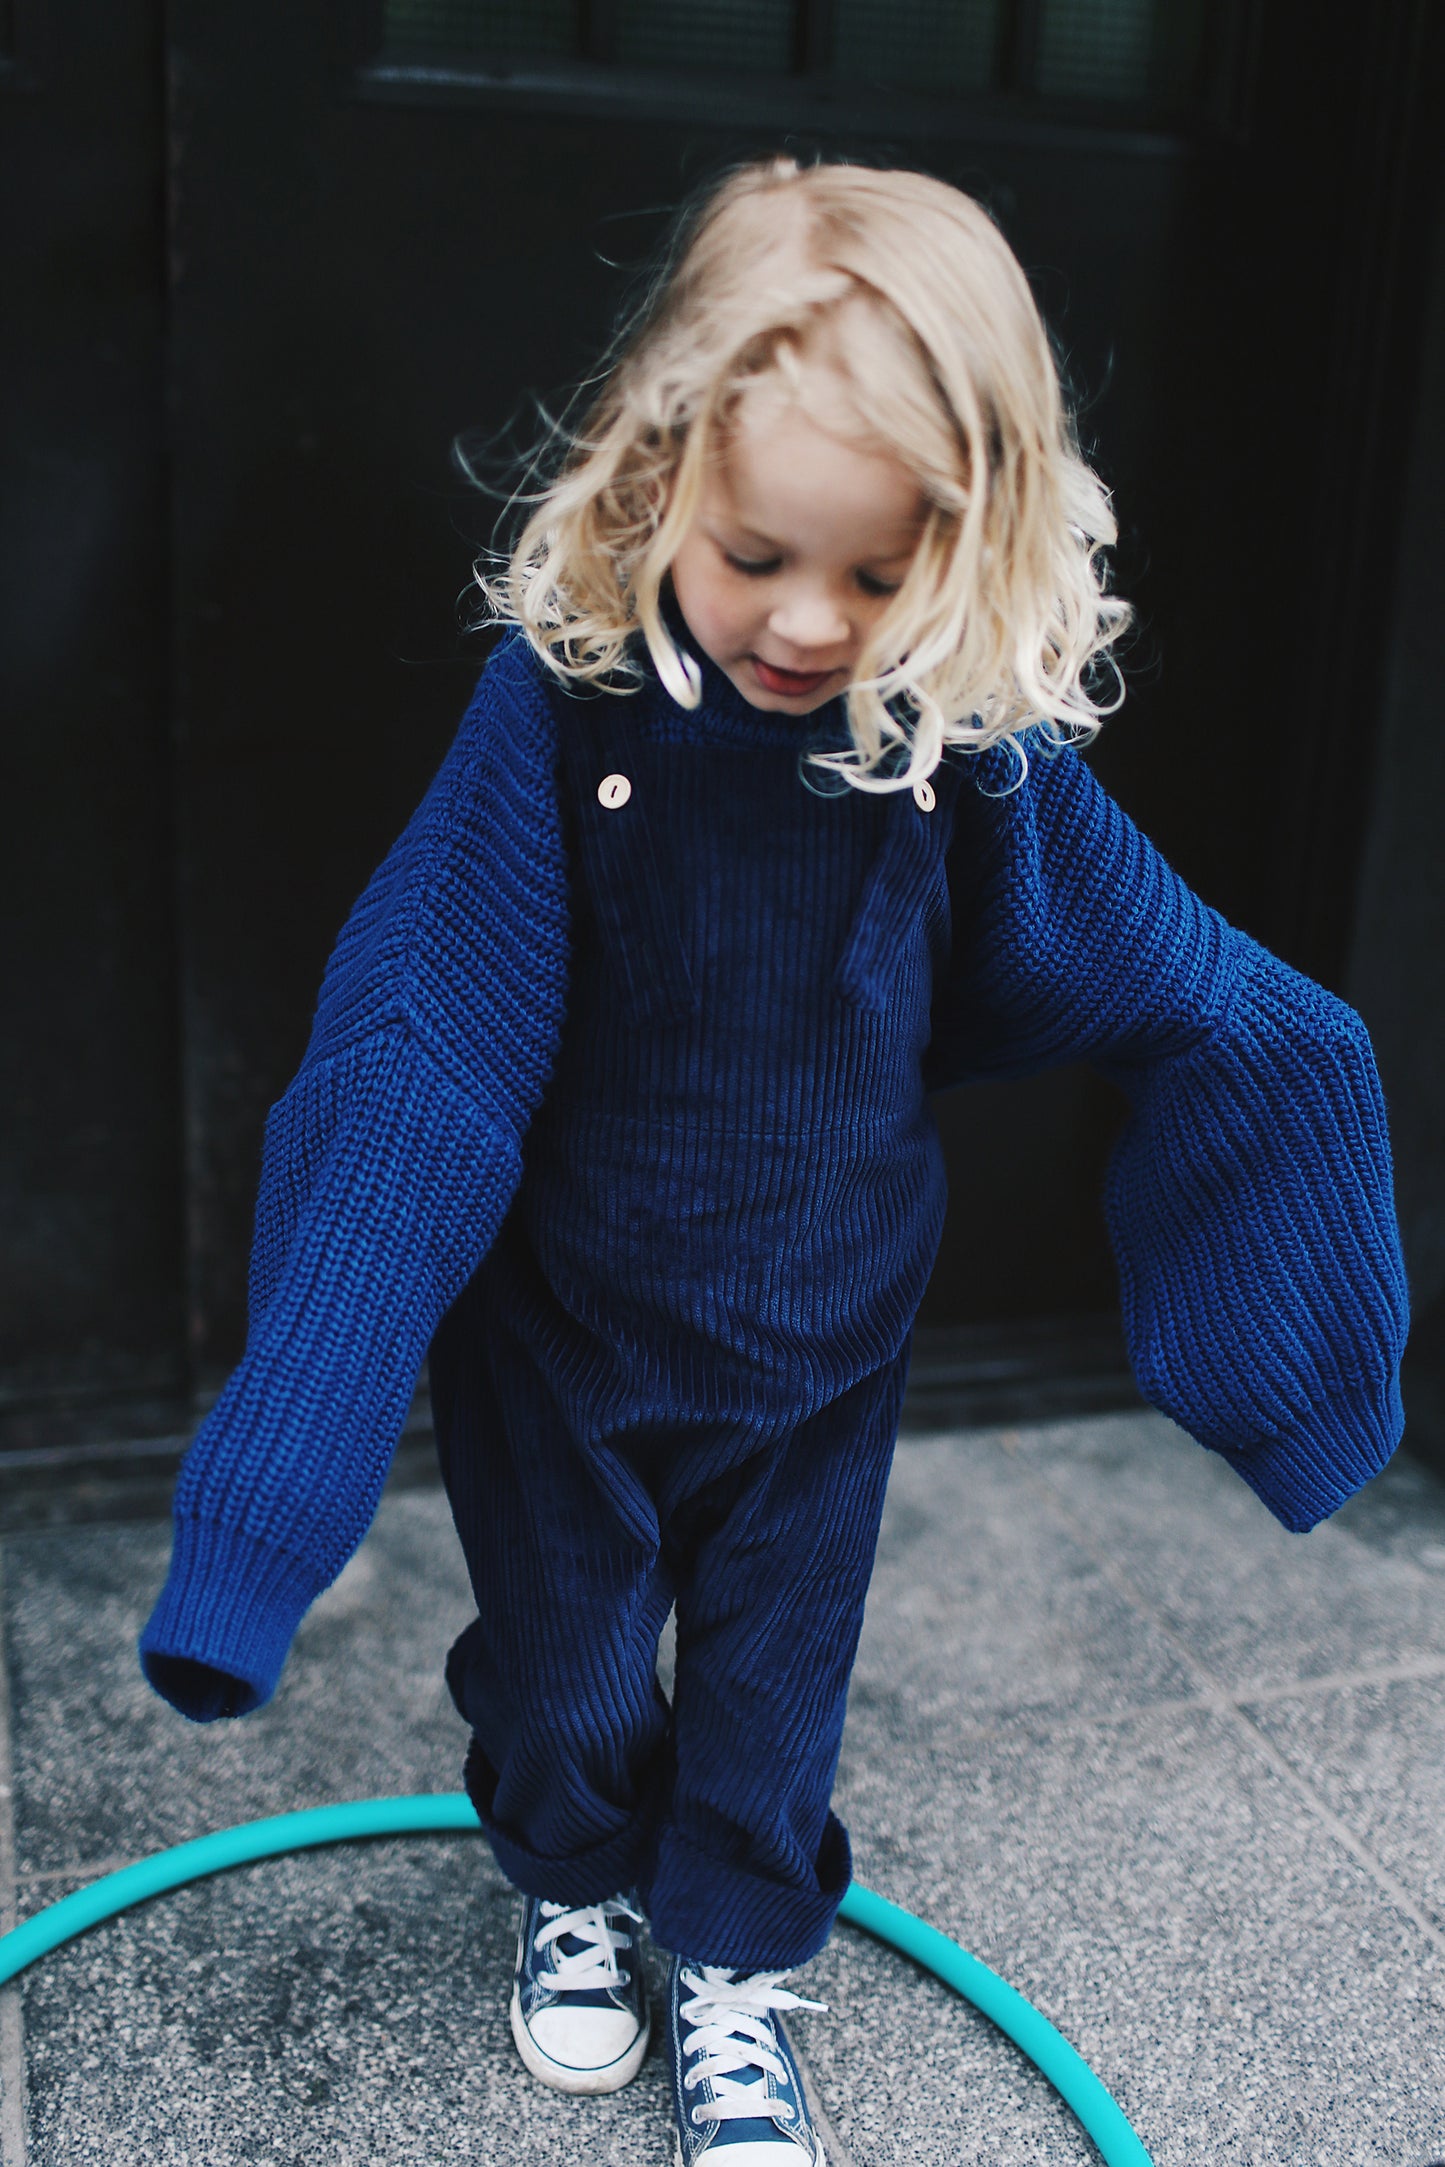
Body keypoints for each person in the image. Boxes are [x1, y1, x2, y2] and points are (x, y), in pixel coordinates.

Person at [138, 157, 1408, 2162]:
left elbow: (1200, 990)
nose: (811, 622)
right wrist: (264, 1512)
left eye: (881, 575)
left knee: (774, 1681)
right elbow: (413, 1053)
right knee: (562, 1674)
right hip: (566, 1331)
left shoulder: (946, 745)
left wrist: (1306, 1353)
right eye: (758, 557)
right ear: (661, 478)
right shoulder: (558, 718)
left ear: (961, 544)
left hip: (823, 1330)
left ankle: (734, 1952)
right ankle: (570, 1882)